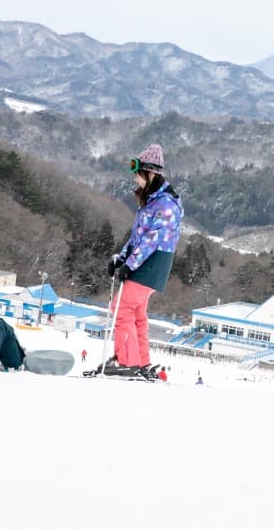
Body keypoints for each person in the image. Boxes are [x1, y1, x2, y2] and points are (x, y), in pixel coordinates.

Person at [104, 144, 183, 378]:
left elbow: (152, 239)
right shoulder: (152, 200)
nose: (136, 180)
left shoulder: (167, 204)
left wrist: (131, 264)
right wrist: (122, 258)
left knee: (122, 307)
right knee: (136, 313)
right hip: (145, 260)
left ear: (150, 173)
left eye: (139, 175)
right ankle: (140, 361)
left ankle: (127, 361)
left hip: (153, 262)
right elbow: (137, 236)